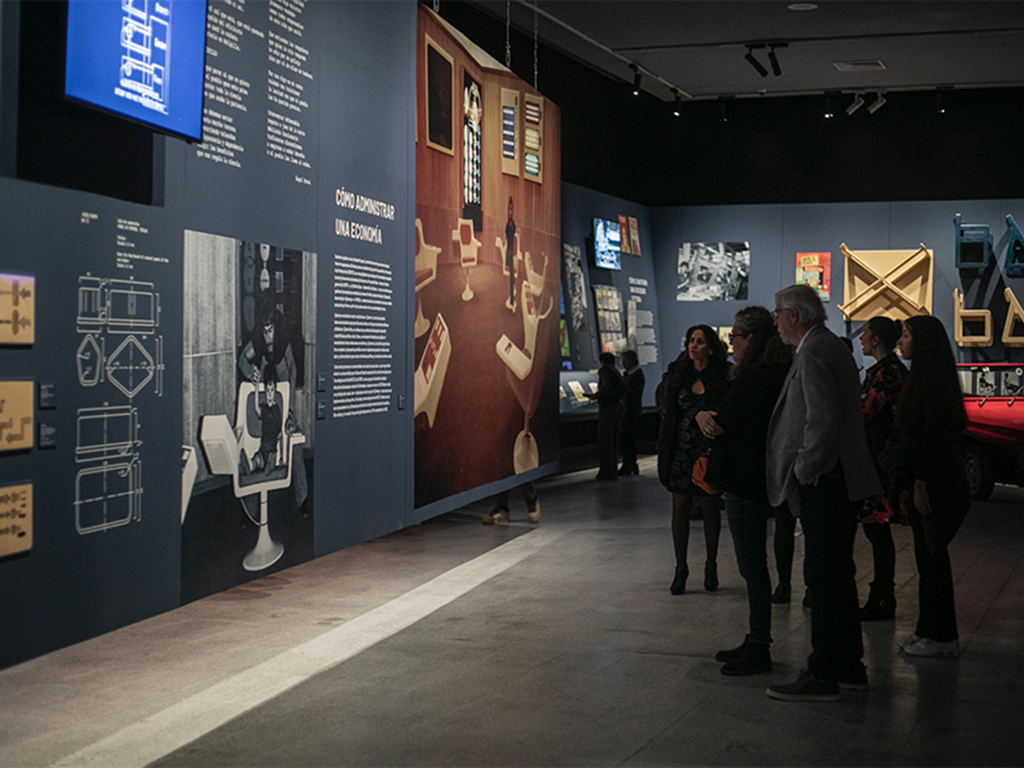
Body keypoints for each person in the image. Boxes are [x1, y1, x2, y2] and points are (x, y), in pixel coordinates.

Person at [765, 285, 881, 702]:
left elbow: (822, 420)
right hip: (839, 480)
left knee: (824, 579)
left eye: (778, 312)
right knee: (838, 577)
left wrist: (803, 470)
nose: (775, 320)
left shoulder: (814, 351)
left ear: (795, 316)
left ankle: (825, 673)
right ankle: (849, 666)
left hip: (826, 482)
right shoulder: (830, 346)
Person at [702, 307, 792, 675]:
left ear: (751, 339)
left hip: (745, 479)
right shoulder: (773, 373)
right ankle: (756, 637)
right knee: (753, 564)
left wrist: (700, 416)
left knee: (752, 566)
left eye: (735, 336)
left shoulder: (756, 378)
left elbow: (724, 421)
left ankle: (759, 644)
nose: (731, 343)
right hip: (755, 477)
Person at [884, 315, 970, 658]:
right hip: (929, 479)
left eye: (905, 335)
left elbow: (933, 439)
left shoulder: (929, 382)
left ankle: (941, 635)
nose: (900, 340)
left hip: (932, 482)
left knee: (932, 561)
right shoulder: (929, 378)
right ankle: (929, 630)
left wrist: (920, 483)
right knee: (928, 560)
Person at [656, 325, 730, 594]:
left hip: (708, 450)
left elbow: (729, 408)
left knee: (711, 508)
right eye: (690, 341)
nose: (693, 345)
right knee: (680, 508)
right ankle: (681, 569)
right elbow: (666, 407)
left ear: (710, 347)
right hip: (681, 450)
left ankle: (711, 566)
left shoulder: (723, 375)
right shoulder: (678, 374)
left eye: (699, 341)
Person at [858, 316, 908, 621]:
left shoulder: (886, 372)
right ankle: (881, 595)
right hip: (881, 459)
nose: (861, 338)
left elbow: (865, 413)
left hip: (881, 462)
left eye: (865, 333)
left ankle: (882, 597)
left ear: (877, 340)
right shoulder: (888, 370)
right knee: (876, 531)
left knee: (877, 530)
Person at [590, 352, 626, 480]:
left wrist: (597, 395)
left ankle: (606, 471)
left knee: (605, 439)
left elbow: (606, 385)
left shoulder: (604, 371)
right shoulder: (616, 372)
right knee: (613, 439)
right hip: (618, 407)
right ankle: (613, 469)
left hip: (607, 407)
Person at [619, 349, 645, 475]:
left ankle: (628, 465)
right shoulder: (633, 373)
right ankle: (631, 464)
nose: (623, 363)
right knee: (628, 439)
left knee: (627, 439)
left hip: (630, 411)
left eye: (625, 360)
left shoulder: (635, 375)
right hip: (632, 410)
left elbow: (631, 393)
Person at [504, 196, 517, 313]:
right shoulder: (508, 224)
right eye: (508, 209)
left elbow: (512, 234)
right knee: (510, 273)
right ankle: (513, 289)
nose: (510, 212)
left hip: (511, 251)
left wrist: (511, 227)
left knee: (511, 273)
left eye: (511, 209)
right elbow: (506, 236)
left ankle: (512, 300)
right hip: (508, 249)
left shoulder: (512, 224)